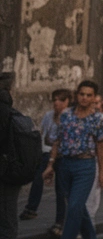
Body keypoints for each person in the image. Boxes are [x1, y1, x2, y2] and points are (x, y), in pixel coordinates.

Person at [42, 79, 103, 239]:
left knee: (74, 206)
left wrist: (102, 173)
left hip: (85, 165)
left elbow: (101, 147)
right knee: (75, 204)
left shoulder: (99, 119)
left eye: (89, 95)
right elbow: (57, 140)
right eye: (81, 94)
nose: (84, 98)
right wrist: (51, 164)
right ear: (76, 95)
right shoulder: (66, 114)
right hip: (64, 164)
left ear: (94, 97)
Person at [0, 73, 38, 239]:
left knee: (6, 228)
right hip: (9, 176)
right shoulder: (9, 110)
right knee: (7, 227)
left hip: (4, 177)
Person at [22, 88, 70, 226]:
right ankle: (31, 208)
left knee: (60, 189)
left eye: (60, 100)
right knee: (38, 177)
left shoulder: (69, 117)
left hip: (62, 154)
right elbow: (44, 134)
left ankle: (60, 220)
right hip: (47, 152)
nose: (56, 103)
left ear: (66, 101)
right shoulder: (49, 115)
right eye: (55, 100)